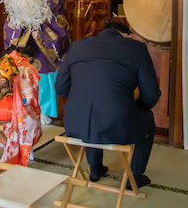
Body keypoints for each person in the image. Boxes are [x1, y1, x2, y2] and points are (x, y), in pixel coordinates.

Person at [55, 21, 160, 190]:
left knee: (93, 114)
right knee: (147, 120)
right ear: (126, 35)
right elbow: (151, 94)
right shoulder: (136, 49)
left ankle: (95, 169)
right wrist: (137, 106)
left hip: (74, 122)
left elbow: (60, 86)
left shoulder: (77, 46)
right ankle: (133, 177)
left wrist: (79, 102)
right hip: (116, 122)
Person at [1, 0, 71, 125]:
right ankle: (22, 106)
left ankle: (44, 110)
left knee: (45, 75)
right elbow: (14, 12)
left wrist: (43, 30)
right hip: (26, 38)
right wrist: (26, 25)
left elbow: (59, 13)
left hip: (46, 35)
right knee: (24, 72)